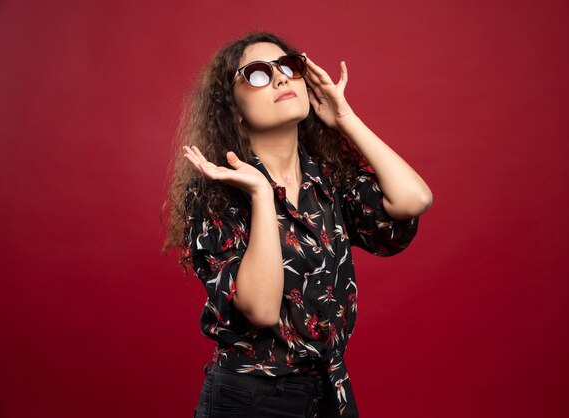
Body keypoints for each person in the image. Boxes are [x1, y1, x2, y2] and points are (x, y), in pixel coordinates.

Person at [162, 31, 432, 418]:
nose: (281, 78)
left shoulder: (326, 176)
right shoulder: (218, 190)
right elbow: (262, 309)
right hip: (250, 400)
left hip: (328, 392)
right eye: (257, 73)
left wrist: (347, 120)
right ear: (233, 108)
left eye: (289, 66)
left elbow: (414, 200)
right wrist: (260, 195)